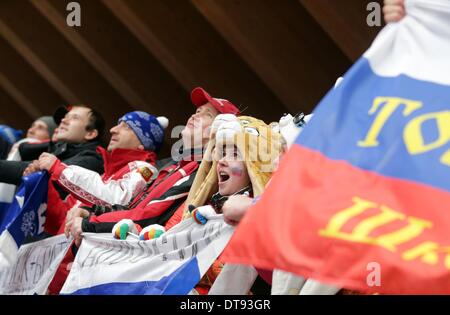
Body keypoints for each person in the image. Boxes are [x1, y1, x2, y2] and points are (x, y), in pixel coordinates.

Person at [0, 105, 105, 185]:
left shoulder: (93, 157)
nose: (63, 120)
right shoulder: (61, 148)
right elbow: (21, 150)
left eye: (75, 118)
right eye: (65, 117)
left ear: (90, 134)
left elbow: (48, 174)